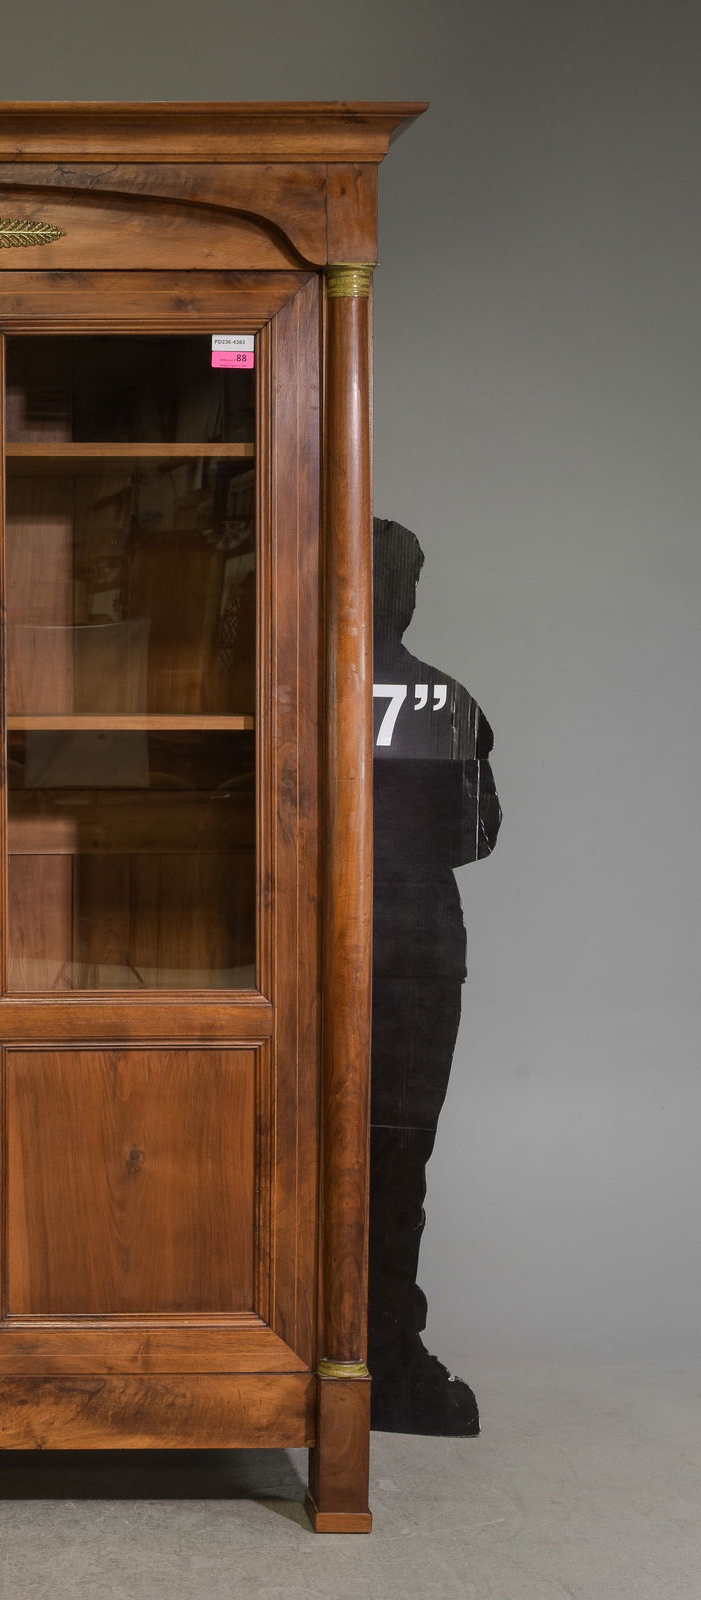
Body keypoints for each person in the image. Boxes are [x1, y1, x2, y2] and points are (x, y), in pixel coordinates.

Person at [369, 518, 502, 1435]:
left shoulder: (283, 683)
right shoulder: (447, 700)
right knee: (395, 1150)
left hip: (300, 931)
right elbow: (476, 837)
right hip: (417, 942)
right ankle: (381, 1351)